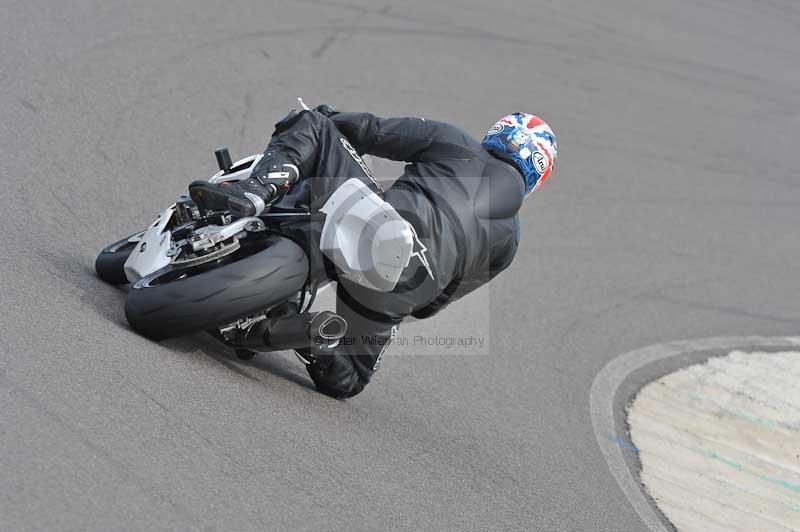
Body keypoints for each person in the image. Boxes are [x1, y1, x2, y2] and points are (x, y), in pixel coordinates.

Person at [218, 106, 557, 399]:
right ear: (537, 176)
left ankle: (254, 191)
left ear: (497, 134)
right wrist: (399, 302)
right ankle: (308, 331)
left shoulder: (456, 142)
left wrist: (330, 115)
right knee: (348, 379)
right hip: (403, 288)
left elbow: (370, 131)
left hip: (373, 226)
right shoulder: (508, 243)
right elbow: (436, 303)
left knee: (312, 123)